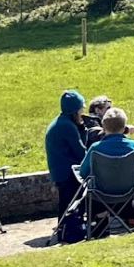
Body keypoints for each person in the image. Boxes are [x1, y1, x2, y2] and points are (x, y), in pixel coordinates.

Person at [44, 89, 87, 219]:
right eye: (81, 107)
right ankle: (69, 229)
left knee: (66, 202)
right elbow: (81, 152)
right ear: (76, 110)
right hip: (68, 172)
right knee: (72, 202)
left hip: (60, 170)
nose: (83, 109)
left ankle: (64, 228)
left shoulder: (61, 121)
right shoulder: (67, 126)